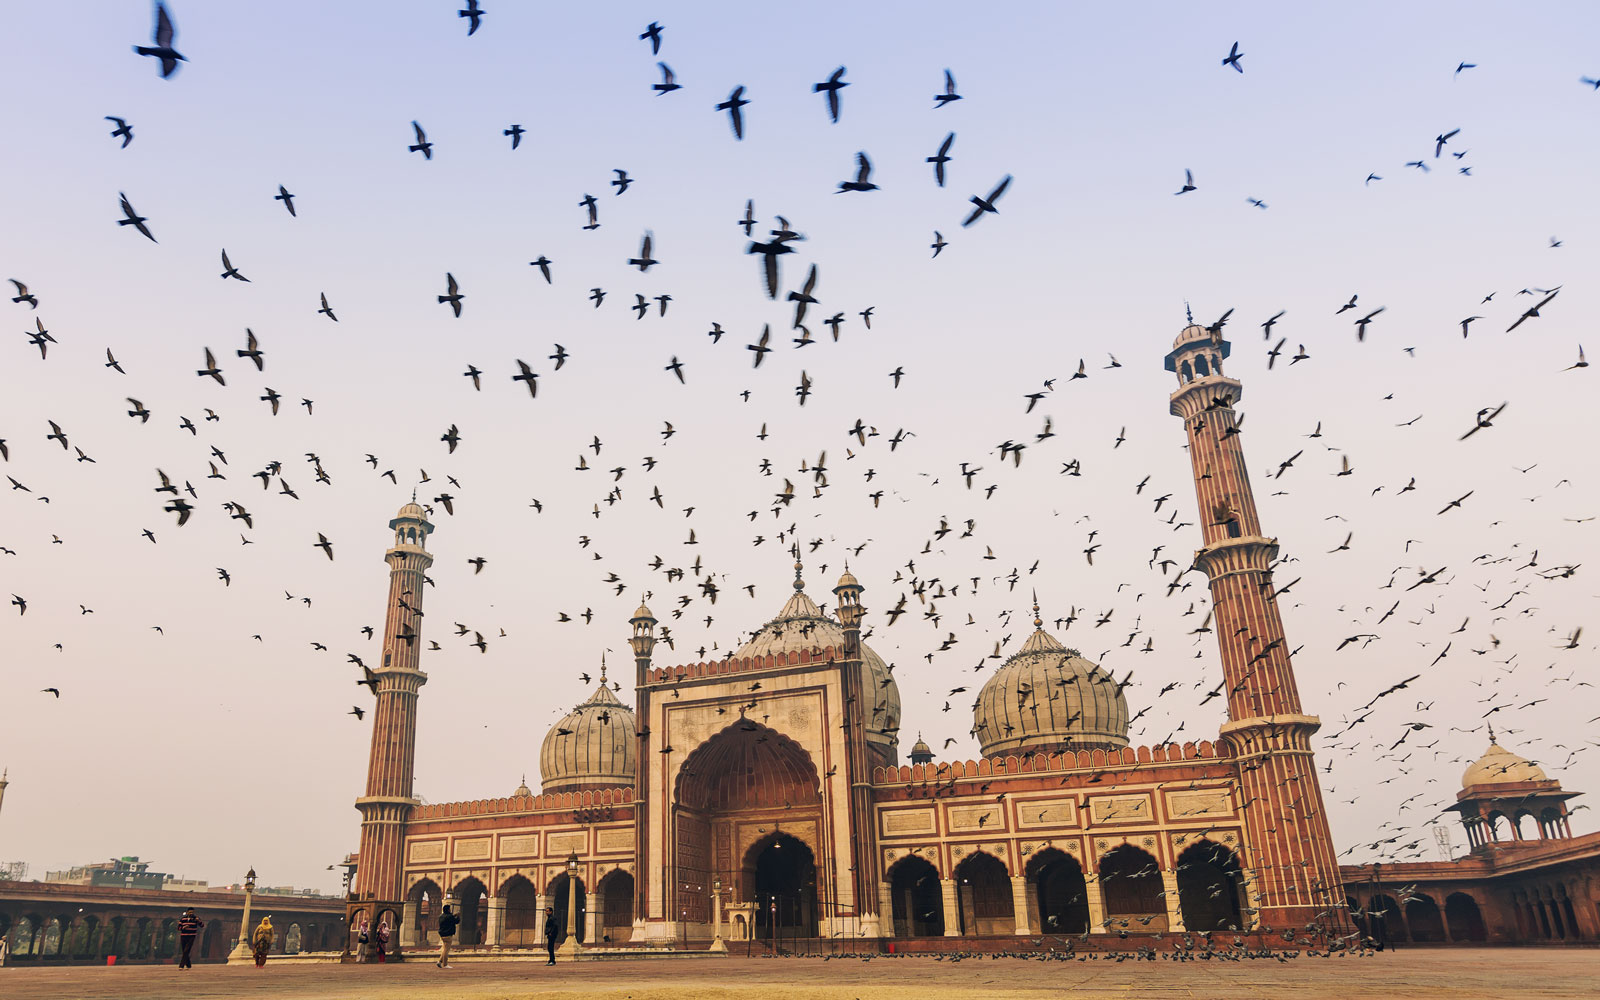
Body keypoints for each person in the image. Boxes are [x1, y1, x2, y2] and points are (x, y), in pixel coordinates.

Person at [436, 904, 457, 968]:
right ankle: (445, 964)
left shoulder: (441, 916)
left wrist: (453, 916)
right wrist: (458, 916)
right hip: (448, 934)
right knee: (446, 950)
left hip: (442, 934)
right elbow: (456, 921)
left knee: (445, 949)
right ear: (448, 909)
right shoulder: (450, 916)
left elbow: (448, 919)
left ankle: (439, 961)